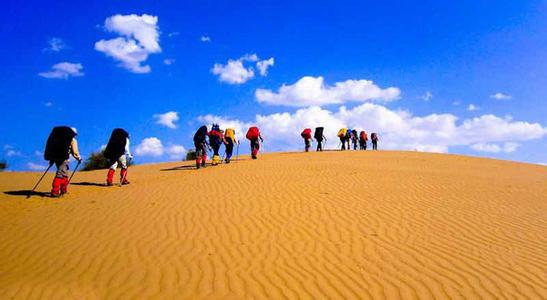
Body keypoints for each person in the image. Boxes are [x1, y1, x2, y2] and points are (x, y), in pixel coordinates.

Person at [44, 126, 81, 197]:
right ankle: (55, 191)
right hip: (64, 159)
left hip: (56, 158)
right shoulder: (72, 140)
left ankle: (63, 189)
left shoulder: (59, 139)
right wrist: (79, 158)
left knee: (64, 173)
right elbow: (75, 151)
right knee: (60, 174)